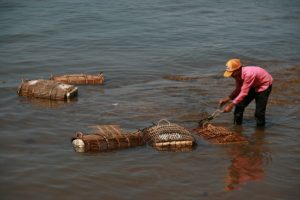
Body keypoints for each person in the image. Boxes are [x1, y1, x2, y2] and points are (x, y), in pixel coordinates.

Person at [219, 59, 273, 127]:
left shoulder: (249, 74)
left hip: (264, 86)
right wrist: (226, 99)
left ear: (238, 69)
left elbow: (244, 93)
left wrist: (230, 105)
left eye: (232, 73)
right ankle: (237, 128)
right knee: (239, 106)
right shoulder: (237, 75)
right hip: (252, 84)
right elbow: (238, 89)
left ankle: (260, 133)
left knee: (259, 113)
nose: (231, 75)